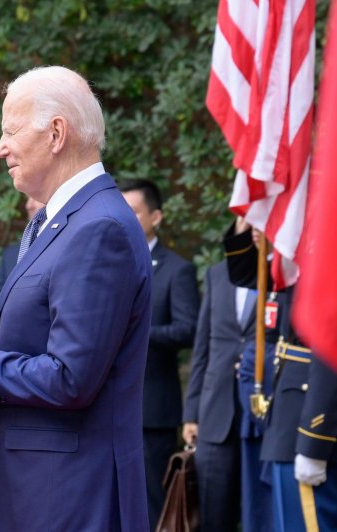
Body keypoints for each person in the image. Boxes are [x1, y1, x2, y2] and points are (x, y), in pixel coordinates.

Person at [0, 65, 152, 531]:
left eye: (9, 131)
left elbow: (70, 378)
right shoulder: (68, 221)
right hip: (42, 492)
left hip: (67, 498)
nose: (0, 148)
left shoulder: (99, 229)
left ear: (56, 133)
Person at [225, 218, 337, 532]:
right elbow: (246, 273)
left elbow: (330, 351)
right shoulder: (293, 265)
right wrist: (247, 223)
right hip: (286, 417)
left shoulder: (327, 260)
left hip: (307, 418)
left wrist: (313, 441)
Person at [119, 178, 199, 530]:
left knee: (151, 503)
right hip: (105, 404)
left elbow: (188, 329)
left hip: (152, 408)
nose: (125, 218)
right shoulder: (108, 260)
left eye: (133, 212)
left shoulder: (176, 269)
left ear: (156, 217)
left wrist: (139, 334)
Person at [182, 242, 278, 530]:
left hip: (263, 412)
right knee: (213, 513)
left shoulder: (281, 275)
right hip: (215, 412)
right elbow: (202, 347)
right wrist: (191, 413)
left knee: (261, 512)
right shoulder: (217, 273)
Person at [0, 195, 45, 327]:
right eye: (27, 199)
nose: (29, 205)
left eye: (35, 198)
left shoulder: (64, 247)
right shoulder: (10, 254)